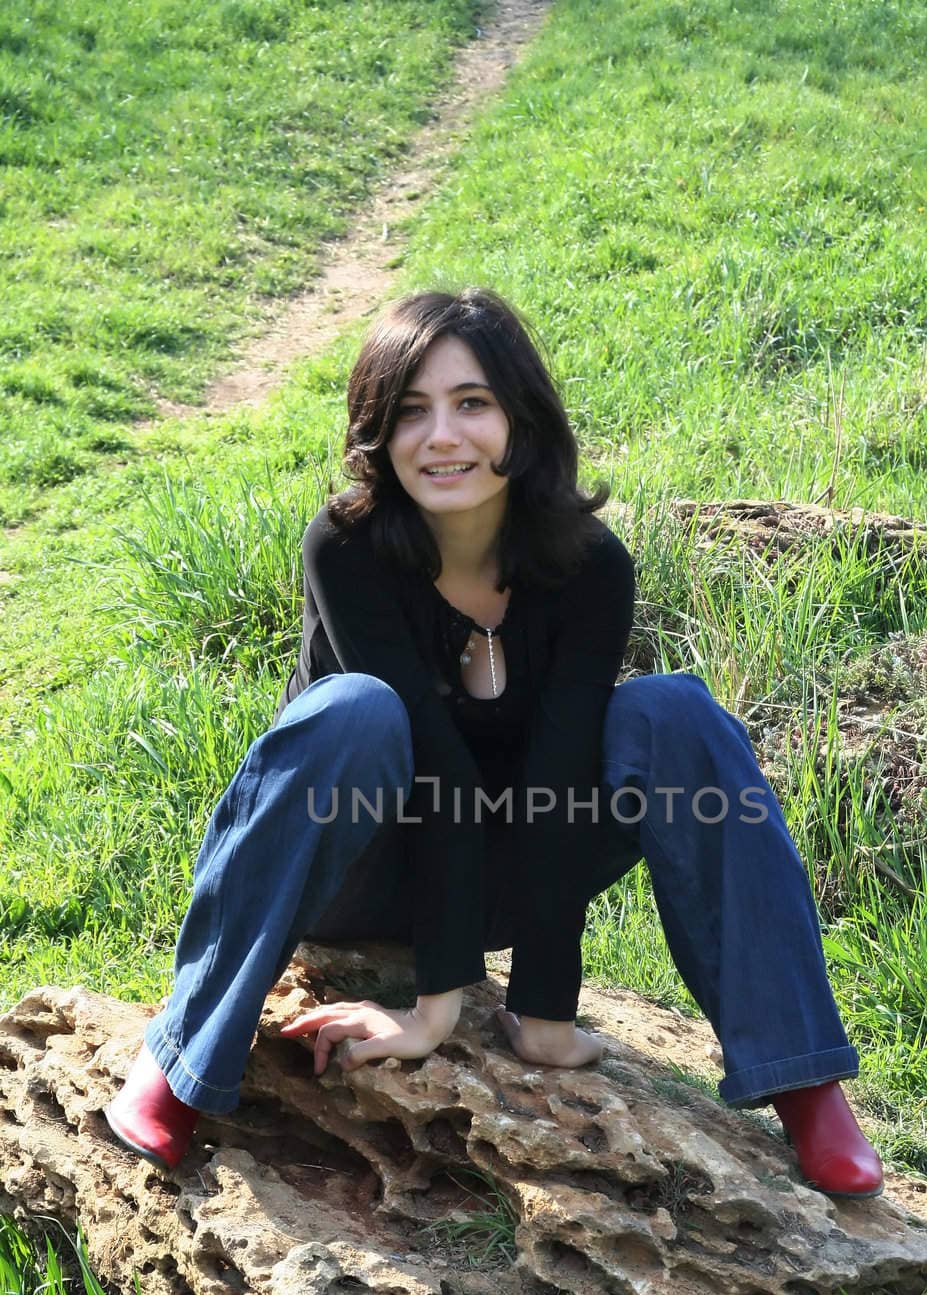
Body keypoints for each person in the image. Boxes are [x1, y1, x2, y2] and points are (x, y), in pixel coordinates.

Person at [104, 287, 883, 1199]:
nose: (442, 437)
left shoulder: (589, 564)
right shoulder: (346, 551)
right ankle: (185, 1053)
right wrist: (434, 1011)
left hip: (507, 875)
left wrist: (543, 1011)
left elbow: (560, 770)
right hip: (355, 862)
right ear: (375, 434)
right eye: (410, 411)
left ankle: (803, 1081)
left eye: (471, 403)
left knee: (675, 715)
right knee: (354, 710)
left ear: (521, 417)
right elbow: (432, 765)